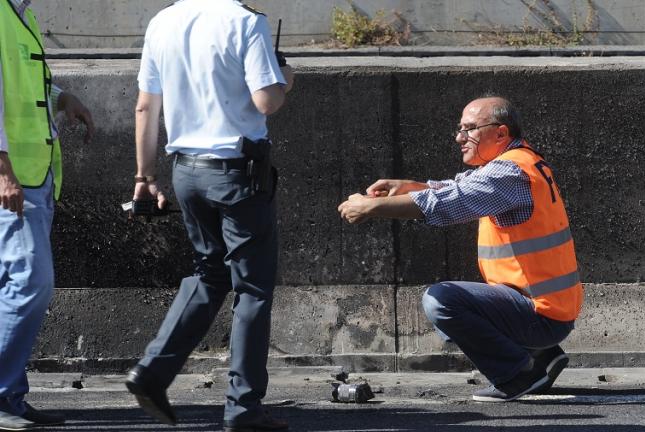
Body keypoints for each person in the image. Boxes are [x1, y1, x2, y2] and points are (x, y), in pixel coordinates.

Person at [338, 96, 583, 402]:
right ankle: (541, 355)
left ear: (500, 133)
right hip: (546, 308)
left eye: (469, 129)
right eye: (460, 129)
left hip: (540, 314)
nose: (459, 137)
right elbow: (454, 187)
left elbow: (447, 203)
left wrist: (372, 207)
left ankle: (518, 374)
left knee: (442, 300)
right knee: (462, 299)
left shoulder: (508, 173)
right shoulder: (520, 162)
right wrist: (406, 186)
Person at [124, 1, 294, 431]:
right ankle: (243, 408)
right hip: (236, 173)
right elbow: (267, 101)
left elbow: (145, 106)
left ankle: (152, 370)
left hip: (186, 172)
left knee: (209, 273)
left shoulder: (162, 21)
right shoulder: (246, 22)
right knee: (252, 289)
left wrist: (144, 176)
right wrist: (285, 77)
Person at [0, 1, 95, 430]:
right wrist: (3, 173)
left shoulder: (21, 13)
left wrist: (61, 98)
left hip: (35, 174)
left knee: (11, 285)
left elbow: (20, 84)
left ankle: (12, 397)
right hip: (15, 177)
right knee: (31, 283)